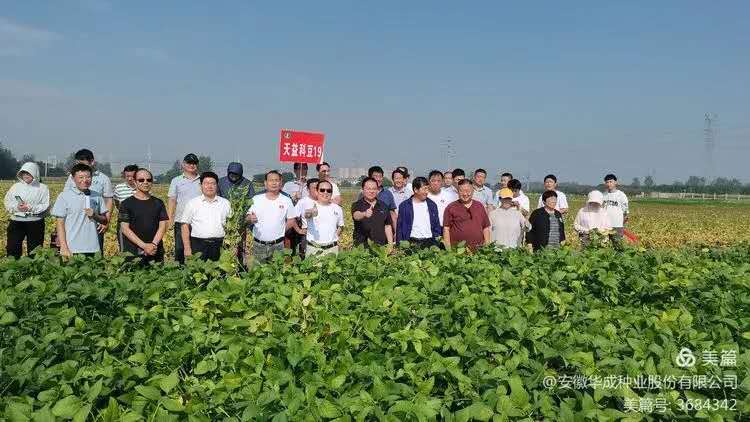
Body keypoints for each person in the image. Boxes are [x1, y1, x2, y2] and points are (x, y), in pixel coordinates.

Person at [52, 164, 109, 257]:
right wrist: (63, 247)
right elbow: (60, 223)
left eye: (88, 177)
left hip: (93, 248)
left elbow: (105, 220)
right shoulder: (64, 196)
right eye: (81, 177)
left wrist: (95, 215)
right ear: (73, 178)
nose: (85, 180)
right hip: (72, 248)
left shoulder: (97, 196)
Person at [64, 149, 113, 251]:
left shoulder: (104, 179)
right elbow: (65, 198)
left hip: (95, 223)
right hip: (74, 223)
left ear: (92, 162)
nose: (79, 166)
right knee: (74, 252)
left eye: (82, 163)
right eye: (77, 164)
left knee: (96, 253)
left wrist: (106, 221)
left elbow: (108, 201)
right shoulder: (71, 178)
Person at [246, 171, 299, 263]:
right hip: (258, 245)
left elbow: (291, 220)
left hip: (278, 245)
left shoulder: (286, 200)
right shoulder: (256, 199)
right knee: (257, 270)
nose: (274, 183)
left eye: (276, 180)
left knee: (277, 270)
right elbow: (247, 217)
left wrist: (281, 230)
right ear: (265, 183)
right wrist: (250, 218)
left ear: (281, 183)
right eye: (271, 180)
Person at [118, 168, 169, 264]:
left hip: (155, 249)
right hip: (133, 250)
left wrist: (153, 244)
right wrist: (144, 246)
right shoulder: (126, 204)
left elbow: (163, 226)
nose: (145, 182)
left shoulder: (158, 203)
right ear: (135, 182)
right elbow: (125, 229)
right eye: (141, 180)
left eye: (149, 180)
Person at [180, 172, 232, 262]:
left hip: (220, 245)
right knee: (198, 270)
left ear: (217, 186)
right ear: (201, 186)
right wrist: (187, 248)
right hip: (198, 245)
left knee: (220, 270)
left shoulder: (225, 203)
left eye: (213, 183)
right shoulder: (192, 203)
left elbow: (231, 225)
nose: (209, 186)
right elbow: (185, 226)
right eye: (206, 183)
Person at [4, 162, 49, 258]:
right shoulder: (15, 187)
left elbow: (45, 205)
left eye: (28, 173)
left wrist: (30, 207)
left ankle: (34, 267)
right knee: (12, 248)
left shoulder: (43, 188)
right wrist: (17, 207)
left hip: (35, 222)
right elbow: (7, 201)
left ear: (35, 173)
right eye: (23, 173)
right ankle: (14, 266)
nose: (25, 175)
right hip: (16, 221)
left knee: (35, 251)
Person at [167, 153, 201, 264]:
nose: (192, 165)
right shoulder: (176, 180)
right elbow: (172, 200)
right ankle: (179, 271)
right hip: (181, 221)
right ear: (183, 164)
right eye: (189, 163)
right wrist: (170, 218)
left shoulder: (203, 181)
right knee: (180, 249)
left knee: (197, 251)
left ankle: (196, 271)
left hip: (198, 222)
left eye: (194, 163)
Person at [443, 179, 491, 251]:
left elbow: (486, 228)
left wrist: (487, 247)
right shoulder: (451, 207)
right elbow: (446, 229)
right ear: (458, 192)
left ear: (473, 191)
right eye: (462, 191)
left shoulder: (479, 206)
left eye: (468, 191)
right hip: (457, 251)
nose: (465, 194)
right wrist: (448, 250)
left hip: (478, 250)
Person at [396, 177, 442, 249]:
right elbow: (400, 228)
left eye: (427, 189)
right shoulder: (404, 206)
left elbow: (437, 226)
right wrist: (399, 245)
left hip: (429, 242)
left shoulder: (432, 205)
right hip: (411, 242)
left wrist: (436, 241)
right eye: (424, 189)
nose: (427, 192)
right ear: (415, 190)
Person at [303, 180, 345, 257]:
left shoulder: (338, 208)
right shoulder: (310, 206)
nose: (325, 193)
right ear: (317, 191)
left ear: (331, 193)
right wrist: (311, 212)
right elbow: (307, 214)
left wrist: (333, 237)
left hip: (332, 249)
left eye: (329, 191)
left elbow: (341, 226)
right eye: (322, 190)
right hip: (314, 249)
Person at [352, 177, 394, 248]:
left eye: (374, 189)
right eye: (368, 189)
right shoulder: (357, 205)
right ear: (363, 190)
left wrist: (390, 245)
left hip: (381, 248)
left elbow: (387, 226)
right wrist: (364, 214)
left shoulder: (383, 205)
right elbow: (356, 216)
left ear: (377, 190)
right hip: (362, 248)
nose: (371, 191)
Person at [291, 178, 320, 258]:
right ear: (307, 189)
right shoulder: (302, 202)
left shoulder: (324, 201)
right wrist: (298, 230)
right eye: (314, 188)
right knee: (307, 258)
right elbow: (292, 217)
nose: (317, 190)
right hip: (307, 234)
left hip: (322, 234)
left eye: (318, 187)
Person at [113, 164, 139, 251]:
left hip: (140, 221)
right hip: (124, 221)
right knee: (124, 247)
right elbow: (116, 203)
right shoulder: (119, 188)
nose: (130, 178)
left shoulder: (143, 187)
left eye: (132, 176)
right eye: (127, 176)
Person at [602, 174, 629, 246]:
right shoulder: (603, 195)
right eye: (607, 182)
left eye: (611, 182)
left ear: (615, 182)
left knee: (618, 245)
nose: (609, 184)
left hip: (617, 225)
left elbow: (625, 212)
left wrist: (622, 223)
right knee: (604, 246)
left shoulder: (621, 195)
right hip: (605, 225)